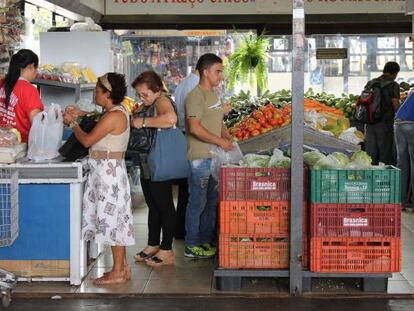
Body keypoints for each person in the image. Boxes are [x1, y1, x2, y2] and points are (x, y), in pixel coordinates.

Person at [63, 73, 134, 285]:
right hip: (108, 172)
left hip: (108, 175)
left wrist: (73, 123)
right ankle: (123, 268)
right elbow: (98, 116)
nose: (95, 94)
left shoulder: (113, 116)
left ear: (108, 93)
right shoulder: (114, 111)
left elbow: (86, 141)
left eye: (97, 91)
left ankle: (118, 271)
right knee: (115, 220)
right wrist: (82, 113)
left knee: (113, 222)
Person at [184, 53, 233, 259]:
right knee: (197, 202)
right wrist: (220, 141)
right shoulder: (195, 96)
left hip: (214, 157)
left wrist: (227, 136)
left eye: (221, 72)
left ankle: (205, 241)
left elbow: (217, 121)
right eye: (217, 71)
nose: (220, 76)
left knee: (211, 202)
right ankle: (191, 244)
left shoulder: (214, 94)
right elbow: (195, 128)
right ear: (205, 72)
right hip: (200, 158)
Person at [131, 71, 178, 267]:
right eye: (139, 95)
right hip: (147, 163)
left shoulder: (161, 101)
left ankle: (167, 249)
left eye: (145, 94)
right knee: (154, 205)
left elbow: (170, 119)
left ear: (156, 89)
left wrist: (142, 121)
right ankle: (153, 244)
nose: (142, 98)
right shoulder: (150, 104)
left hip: (159, 162)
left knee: (165, 206)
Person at [172, 69, 200, 239]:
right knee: (190, 188)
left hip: (183, 136)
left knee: (185, 188)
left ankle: (180, 228)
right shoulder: (196, 86)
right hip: (191, 137)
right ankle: (185, 230)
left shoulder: (182, 85)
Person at [0, 49, 43, 143]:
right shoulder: (29, 89)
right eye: (36, 68)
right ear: (31, 66)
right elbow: (37, 124)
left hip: (3, 141)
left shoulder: (2, 83)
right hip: (21, 145)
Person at [364, 61, 400, 165]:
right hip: (384, 124)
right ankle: (383, 178)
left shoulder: (371, 83)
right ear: (395, 73)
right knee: (385, 154)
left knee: (370, 155)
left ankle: (370, 176)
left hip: (369, 122)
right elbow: (396, 105)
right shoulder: (393, 85)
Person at [395, 89, 414, 210]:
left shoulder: (412, 91)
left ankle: (400, 202)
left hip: (398, 124)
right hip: (412, 125)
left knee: (401, 163)